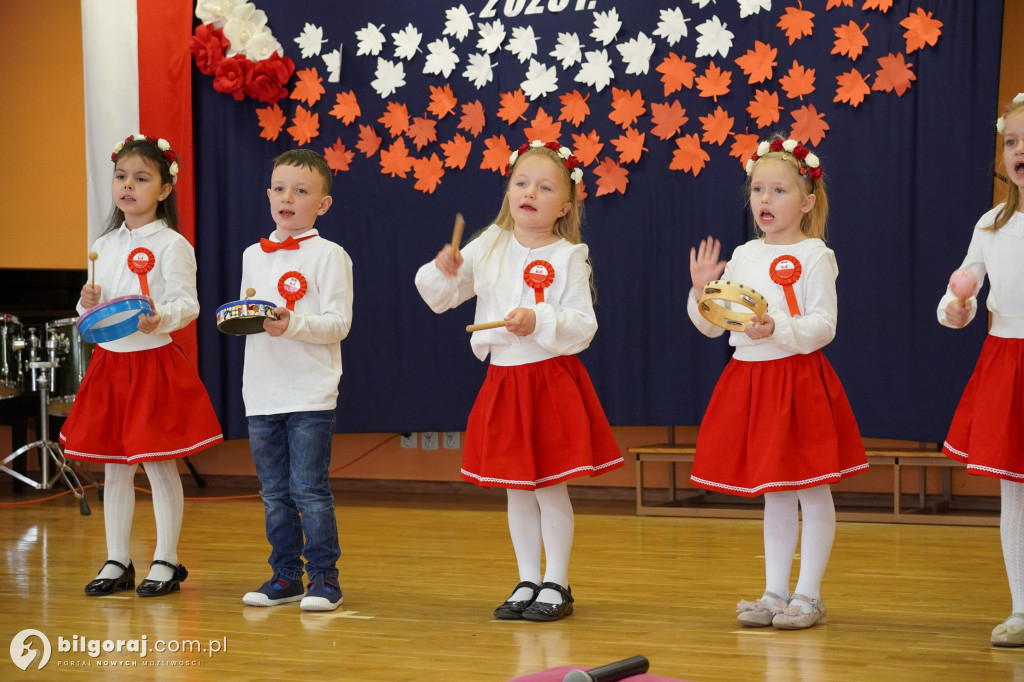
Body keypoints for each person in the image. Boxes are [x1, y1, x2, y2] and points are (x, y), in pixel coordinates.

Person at [415, 140, 624, 622]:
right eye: (521, 183)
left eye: (545, 186)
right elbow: (442, 297)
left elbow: (583, 325)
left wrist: (540, 319)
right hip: (505, 382)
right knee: (516, 487)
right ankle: (528, 576)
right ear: (509, 191)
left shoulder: (570, 255)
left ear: (566, 205)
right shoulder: (489, 243)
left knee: (549, 487)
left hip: (550, 381)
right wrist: (443, 269)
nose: (530, 192)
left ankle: (557, 582)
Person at [687, 136, 867, 630]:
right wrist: (700, 289)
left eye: (779, 191)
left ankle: (808, 595)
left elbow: (824, 325)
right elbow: (711, 324)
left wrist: (779, 329)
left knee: (811, 486)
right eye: (758, 190)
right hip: (751, 379)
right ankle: (774, 591)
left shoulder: (815, 254)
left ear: (807, 201)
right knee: (775, 490)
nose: (765, 200)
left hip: (798, 380)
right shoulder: (744, 254)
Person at [61, 134, 223, 597]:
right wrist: (85, 300)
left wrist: (160, 318)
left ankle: (166, 560)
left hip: (151, 363)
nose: (128, 186)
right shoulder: (104, 243)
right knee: (114, 466)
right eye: (121, 177)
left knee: (157, 464)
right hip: (111, 365)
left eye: (141, 178)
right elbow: (92, 314)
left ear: (165, 189)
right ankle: (117, 559)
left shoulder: (173, 245)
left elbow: (188, 305)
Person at [239, 149, 354, 613]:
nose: (288, 197)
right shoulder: (253, 254)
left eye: (302, 191)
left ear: (322, 204)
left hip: (310, 390)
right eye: (281, 188)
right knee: (273, 493)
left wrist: (293, 325)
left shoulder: (330, 255)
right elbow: (253, 315)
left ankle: (325, 579)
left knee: (309, 490)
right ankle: (285, 576)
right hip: (262, 391)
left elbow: (339, 323)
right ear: (268, 194)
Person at [938, 92, 1024, 647]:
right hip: (1007, 360)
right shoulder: (991, 223)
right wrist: (957, 307)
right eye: (1012, 141)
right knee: (1015, 492)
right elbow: (960, 292)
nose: (1019, 150)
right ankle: (1021, 608)